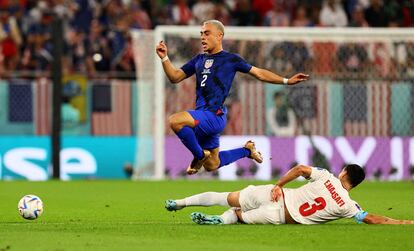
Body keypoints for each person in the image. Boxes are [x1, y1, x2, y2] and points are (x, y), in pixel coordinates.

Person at [155, 20, 309, 175]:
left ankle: (199, 156)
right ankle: (246, 151)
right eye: (201, 34)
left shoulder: (230, 59)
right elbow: (175, 77)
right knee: (212, 164)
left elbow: (259, 73)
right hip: (203, 115)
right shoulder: (198, 60)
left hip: (214, 115)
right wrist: (164, 58)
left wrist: (286, 80)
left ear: (219, 35)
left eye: (207, 33)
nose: (202, 37)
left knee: (175, 121)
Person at [165, 164, 414, 225]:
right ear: (355, 184)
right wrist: (402, 222)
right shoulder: (349, 206)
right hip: (280, 216)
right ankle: (222, 220)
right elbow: (368, 218)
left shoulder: (327, 176)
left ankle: (180, 202)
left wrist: (278, 184)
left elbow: (300, 169)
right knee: (238, 216)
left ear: (344, 172)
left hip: (277, 195)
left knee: (227, 196)